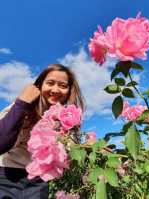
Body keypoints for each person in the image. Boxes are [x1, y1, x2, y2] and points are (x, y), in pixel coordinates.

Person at [0, 64, 85, 199]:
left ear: (69, 91)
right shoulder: (20, 108)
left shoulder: (67, 119)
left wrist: (87, 146)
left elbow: (69, 156)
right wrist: (22, 103)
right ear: (39, 86)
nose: (55, 90)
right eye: (50, 83)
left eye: (63, 85)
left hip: (39, 182)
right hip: (6, 177)